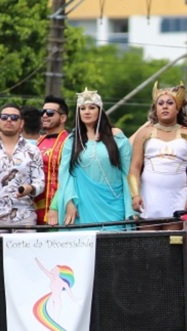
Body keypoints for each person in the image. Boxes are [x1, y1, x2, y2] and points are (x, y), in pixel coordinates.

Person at [51, 88, 134, 227]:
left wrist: (131, 207)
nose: (87, 112)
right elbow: (65, 175)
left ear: (100, 110)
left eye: (91, 107)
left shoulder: (117, 136)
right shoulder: (72, 140)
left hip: (113, 203)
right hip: (82, 204)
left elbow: (128, 173)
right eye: (82, 108)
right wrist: (69, 202)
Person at [129, 82, 187, 219]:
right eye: (160, 103)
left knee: (175, 238)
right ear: (155, 109)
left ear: (178, 108)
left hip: (178, 201)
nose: (165, 106)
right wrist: (135, 195)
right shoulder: (144, 134)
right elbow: (135, 167)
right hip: (147, 200)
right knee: (148, 239)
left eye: (170, 103)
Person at [0, 104, 45, 230]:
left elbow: (40, 182)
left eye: (14, 117)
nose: (9, 120)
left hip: (25, 216)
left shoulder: (33, 150)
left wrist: (30, 188)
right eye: (4, 117)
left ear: (21, 123)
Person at [36, 96, 70, 225]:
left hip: (56, 210)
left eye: (50, 113)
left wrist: (55, 207)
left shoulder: (69, 142)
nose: (44, 115)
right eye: (42, 112)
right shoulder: (38, 141)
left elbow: (68, 179)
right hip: (33, 211)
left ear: (63, 118)